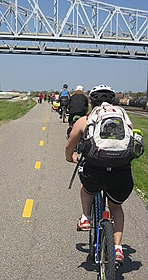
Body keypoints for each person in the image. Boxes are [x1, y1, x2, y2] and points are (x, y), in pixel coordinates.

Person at [65, 85, 134, 263]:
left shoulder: (86, 120)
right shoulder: (124, 119)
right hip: (121, 173)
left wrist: (70, 157)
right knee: (116, 207)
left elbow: (69, 146)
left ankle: (86, 217)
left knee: (86, 186)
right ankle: (118, 247)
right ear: (112, 101)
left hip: (95, 171)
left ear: (91, 102)